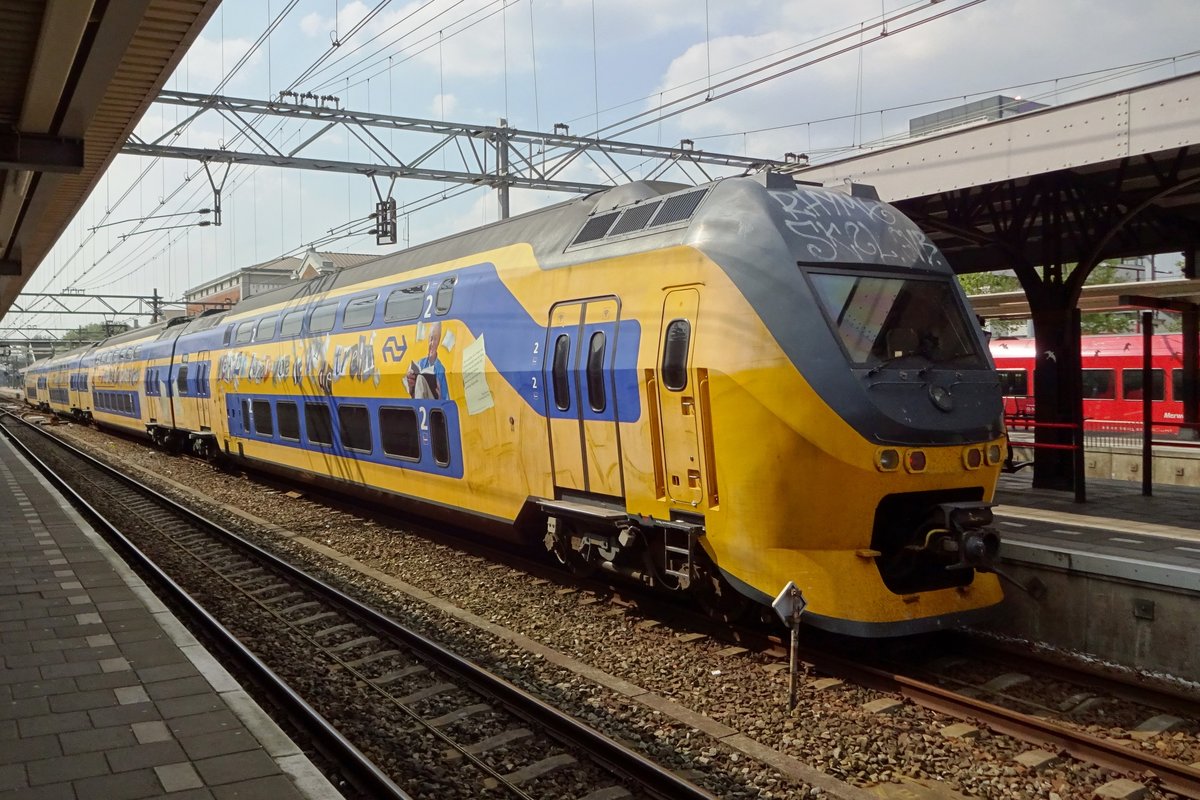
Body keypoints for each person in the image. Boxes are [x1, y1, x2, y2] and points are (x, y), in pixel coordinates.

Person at [406, 321, 449, 400]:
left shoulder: (440, 369)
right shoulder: (420, 363)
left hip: (433, 402)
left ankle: (419, 405)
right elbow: (413, 394)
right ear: (428, 339)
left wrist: (440, 397)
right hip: (420, 399)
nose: (432, 343)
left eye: (435, 339)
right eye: (431, 338)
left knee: (420, 378)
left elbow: (446, 399)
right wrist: (410, 386)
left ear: (438, 342)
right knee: (419, 378)